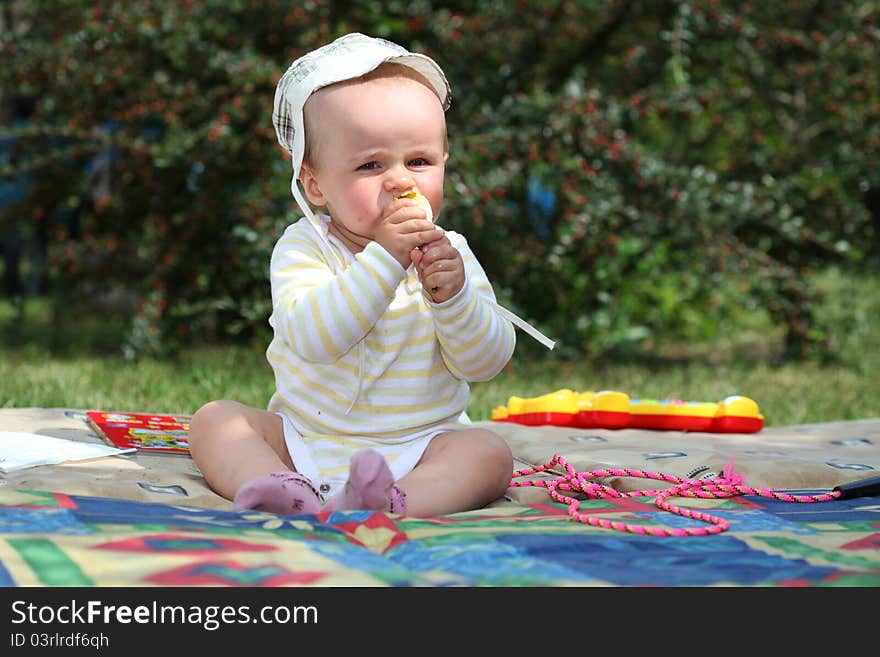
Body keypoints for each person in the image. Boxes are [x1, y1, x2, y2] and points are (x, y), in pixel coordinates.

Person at [189, 33, 552, 518]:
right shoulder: (305, 248)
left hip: (421, 445)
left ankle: (393, 502)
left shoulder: (450, 254)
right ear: (315, 184)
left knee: (488, 453)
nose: (401, 181)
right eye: (371, 164)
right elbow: (315, 339)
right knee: (215, 421)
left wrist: (454, 299)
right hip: (306, 439)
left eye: (419, 161)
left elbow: (485, 362)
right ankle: (277, 487)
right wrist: (384, 259)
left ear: (445, 164)